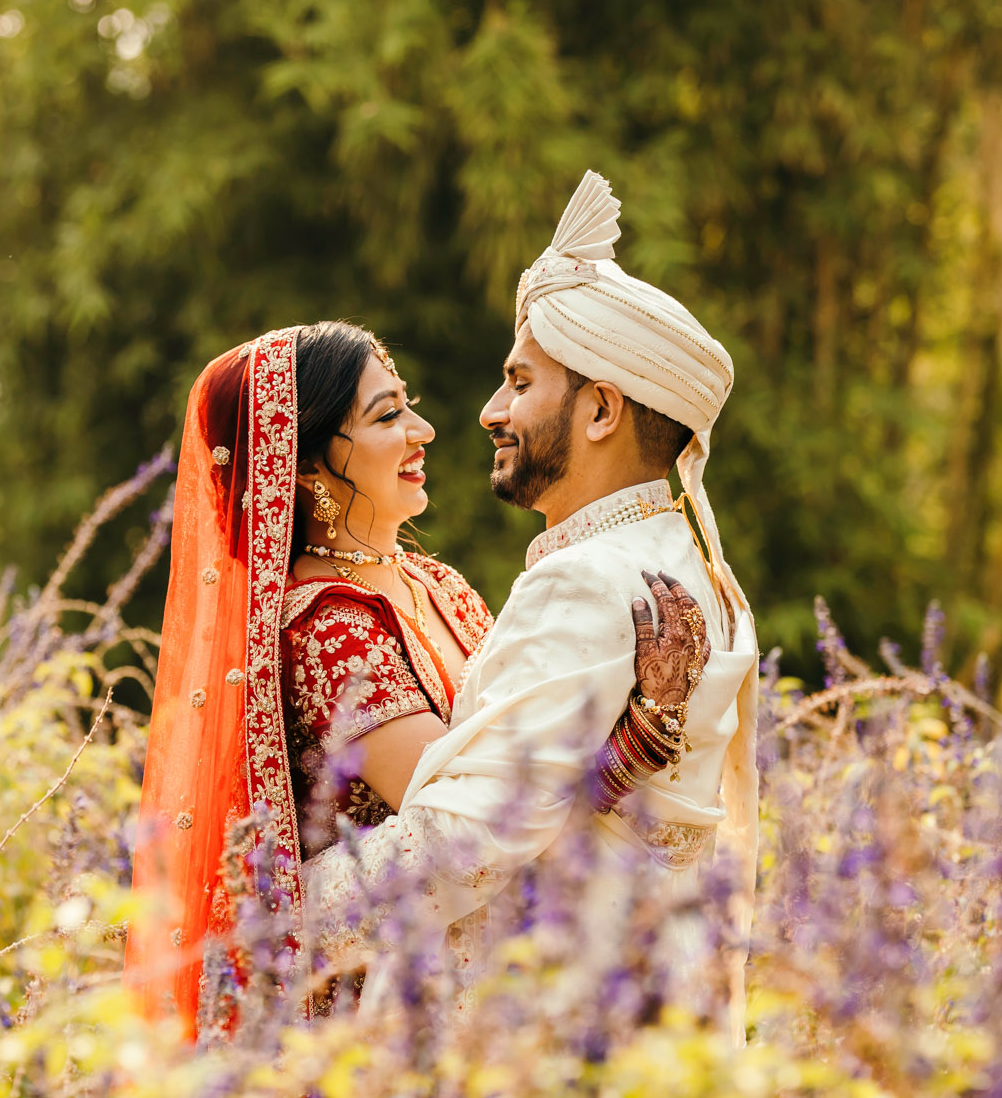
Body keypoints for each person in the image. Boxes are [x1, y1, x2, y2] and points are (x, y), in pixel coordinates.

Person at [124, 320, 710, 1038]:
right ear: (306, 468)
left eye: (410, 403)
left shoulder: (437, 584)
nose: (425, 430)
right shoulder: (330, 628)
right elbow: (474, 825)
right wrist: (635, 743)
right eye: (387, 415)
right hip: (395, 1015)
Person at [300, 171, 762, 1042]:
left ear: (599, 410)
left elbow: (471, 836)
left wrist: (264, 916)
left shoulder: (585, 580)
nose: (488, 411)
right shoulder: (690, 561)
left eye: (519, 382)